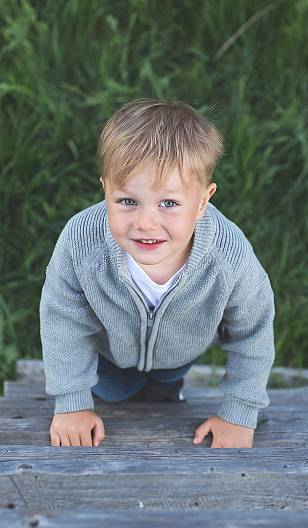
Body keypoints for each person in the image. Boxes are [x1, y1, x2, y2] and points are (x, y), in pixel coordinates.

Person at [39, 98, 275, 448]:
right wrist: (72, 402)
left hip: (179, 352)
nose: (146, 223)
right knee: (114, 393)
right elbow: (63, 319)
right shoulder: (81, 243)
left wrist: (239, 412)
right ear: (106, 189)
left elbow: (252, 331)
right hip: (109, 353)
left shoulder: (228, 257)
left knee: (164, 390)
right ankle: (115, 392)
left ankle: (166, 390)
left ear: (202, 202)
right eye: (127, 202)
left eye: (168, 203)